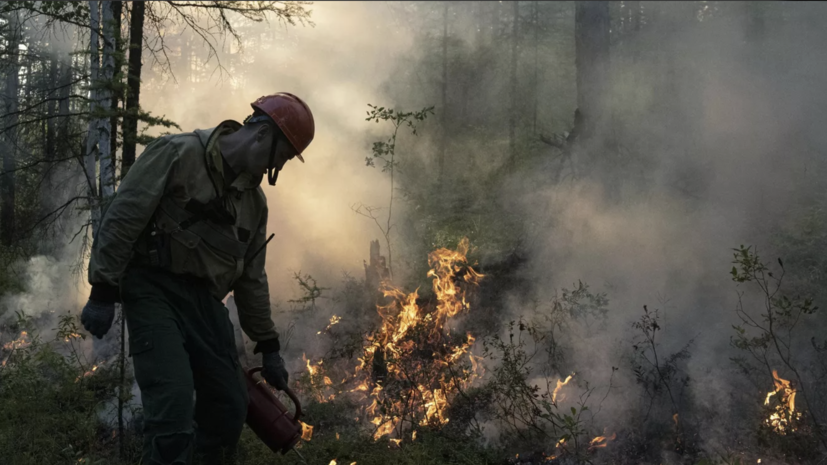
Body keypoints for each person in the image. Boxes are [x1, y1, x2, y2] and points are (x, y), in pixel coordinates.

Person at [80, 93, 315, 464]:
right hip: (153, 289)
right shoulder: (177, 153)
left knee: (230, 406)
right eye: (282, 157)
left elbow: (252, 280)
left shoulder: (254, 206)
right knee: (172, 410)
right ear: (262, 136)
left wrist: (268, 346)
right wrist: (102, 289)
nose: (279, 169)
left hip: (205, 304)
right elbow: (123, 218)